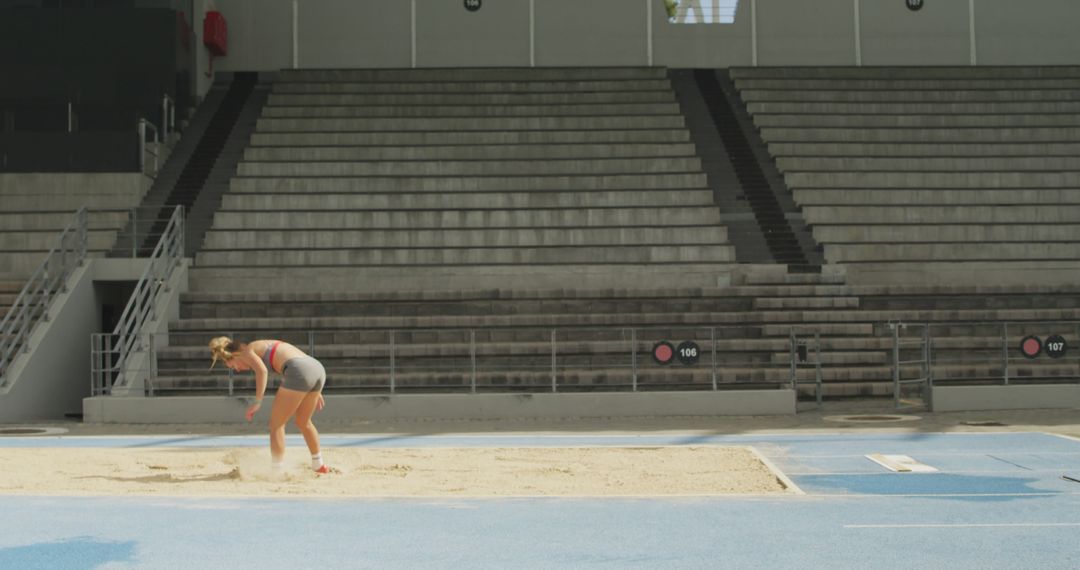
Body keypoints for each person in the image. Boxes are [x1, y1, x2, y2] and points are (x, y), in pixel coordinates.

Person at [209, 337, 330, 473]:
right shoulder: (264, 344)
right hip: (316, 369)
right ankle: (318, 464)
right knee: (303, 421)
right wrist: (313, 388)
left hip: (300, 371)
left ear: (234, 355)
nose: (237, 369)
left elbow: (262, 371)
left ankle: (276, 470)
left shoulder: (248, 351)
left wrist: (258, 401)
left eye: (233, 366)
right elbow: (299, 359)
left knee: (276, 425)